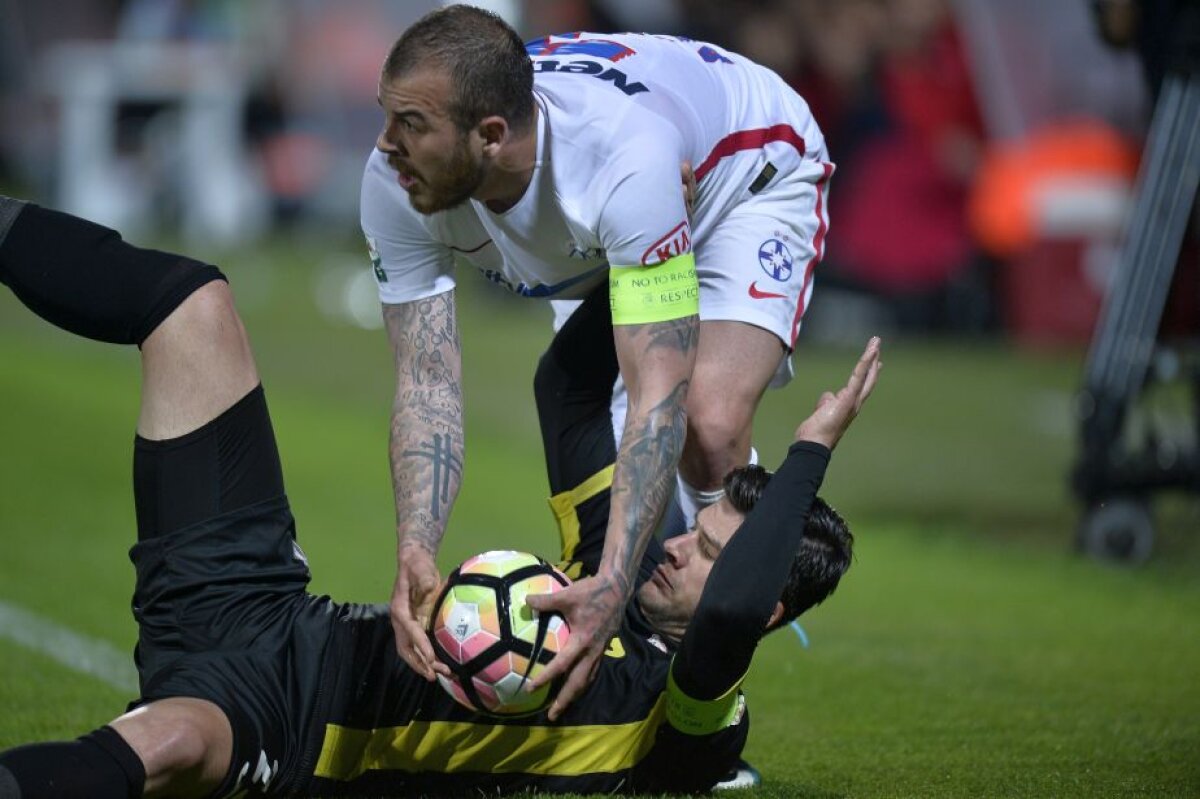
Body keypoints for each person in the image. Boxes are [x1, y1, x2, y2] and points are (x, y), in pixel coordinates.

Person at [0, 198, 877, 798]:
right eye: (703, 528)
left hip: (290, 726)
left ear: (767, 611)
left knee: (166, 747)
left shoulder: (690, 722)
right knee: (190, 304)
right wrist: (655, 241)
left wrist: (808, 452)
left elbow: (721, 624)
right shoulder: (619, 570)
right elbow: (568, 395)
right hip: (261, 597)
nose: (682, 545)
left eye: (711, 553)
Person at [362, 5, 836, 715]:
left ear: (491, 136)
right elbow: (427, 382)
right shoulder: (394, 183)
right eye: (387, 116)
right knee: (605, 436)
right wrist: (415, 547)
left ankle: (709, 703)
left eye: (411, 125)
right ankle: (643, 675)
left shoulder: (620, 163)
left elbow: (658, 396)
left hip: (744, 175)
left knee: (706, 425)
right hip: (623, 212)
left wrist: (615, 582)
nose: (384, 144)